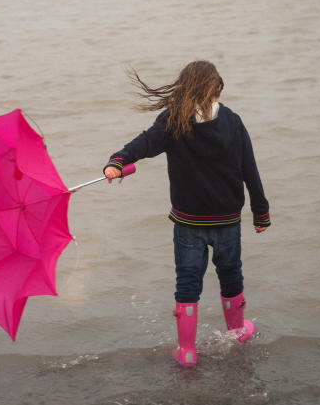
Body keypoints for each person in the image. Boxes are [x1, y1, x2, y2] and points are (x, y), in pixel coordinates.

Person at [103, 60, 270, 367]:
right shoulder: (232, 121)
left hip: (188, 222)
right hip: (227, 221)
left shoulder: (173, 121)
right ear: (217, 89)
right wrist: (261, 213)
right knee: (230, 275)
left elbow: (143, 144)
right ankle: (236, 332)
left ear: (184, 89)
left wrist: (117, 161)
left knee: (187, 283)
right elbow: (250, 169)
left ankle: (187, 352)